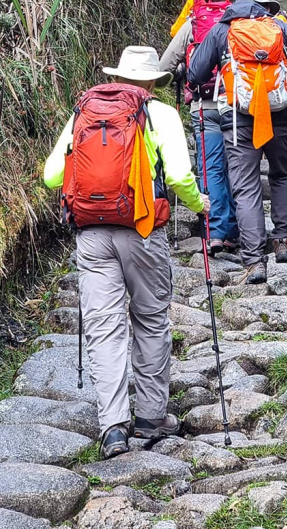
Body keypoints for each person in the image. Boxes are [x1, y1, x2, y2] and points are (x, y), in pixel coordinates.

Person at [44, 46, 208, 458]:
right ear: (153, 81)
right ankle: (151, 417)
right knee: (150, 320)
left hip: (91, 232)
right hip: (141, 229)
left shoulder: (84, 112)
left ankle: (113, 428)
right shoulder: (160, 113)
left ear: (117, 77)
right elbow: (178, 176)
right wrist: (199, 204)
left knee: (104, 326)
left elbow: (51, 176)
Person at [187, 0, 287, 284]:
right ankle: (283, 241)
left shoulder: (222, 31)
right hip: (281, 115)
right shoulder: (281, 28)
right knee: (283, 176)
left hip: (238, 119)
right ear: (267, 6)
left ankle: (254, 260)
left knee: (246, 187)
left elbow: (195, 73)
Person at [161, 0, 241, 262]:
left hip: (203, 106)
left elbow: (164, 67)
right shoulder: (246, 23)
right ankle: (238, 230)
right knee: (239, 169)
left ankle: (216, 232)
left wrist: (182, 72)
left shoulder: (194, 23)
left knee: (211, 170)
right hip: (238, 106)